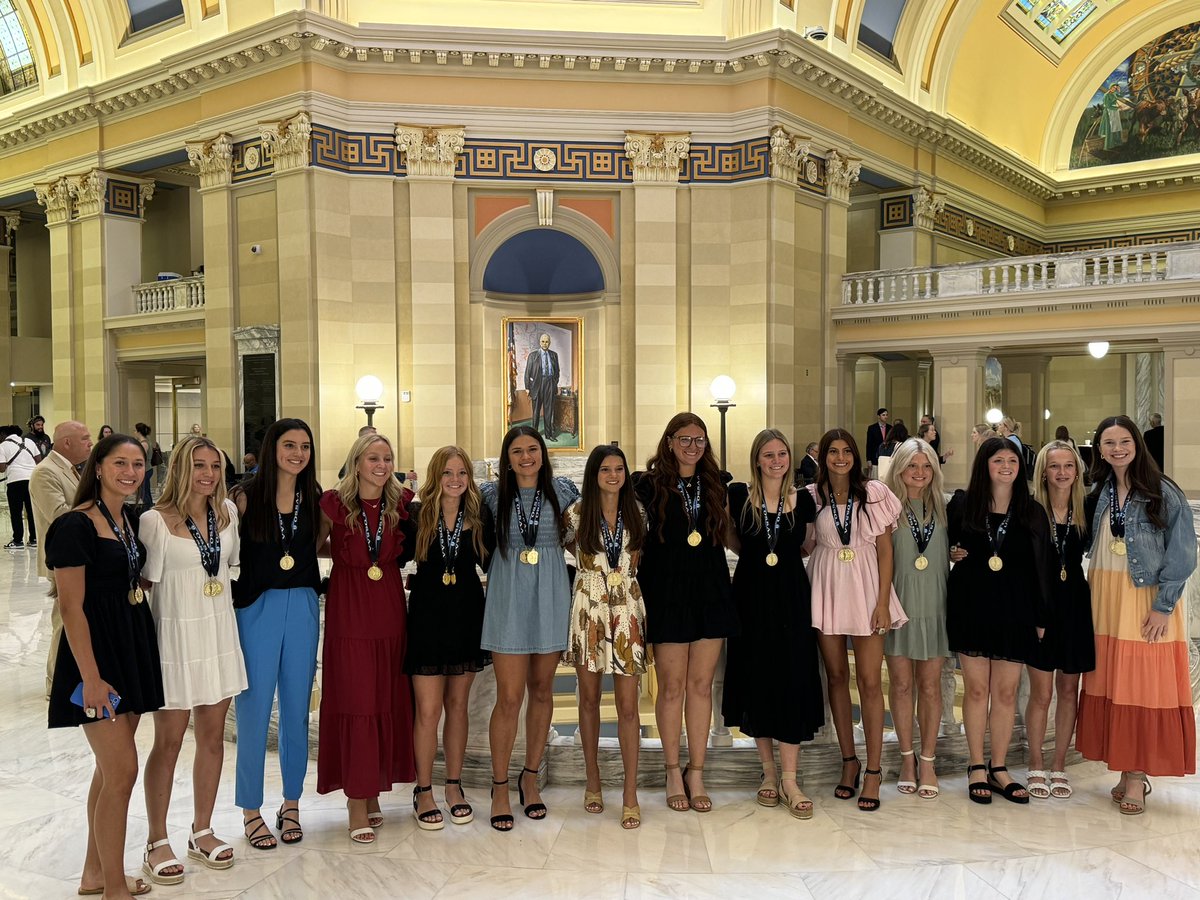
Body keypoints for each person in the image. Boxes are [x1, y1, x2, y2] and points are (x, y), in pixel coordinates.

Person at [46, 434, 163, 900]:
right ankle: (114, 887)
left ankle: (94, 874)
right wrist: (91, 680)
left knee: (108, 771)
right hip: (96, 660)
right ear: (97, 467)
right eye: (120, 463)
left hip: (129, 645)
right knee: (122, 773)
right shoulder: (74, 526)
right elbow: (71, 609)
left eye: (137, 464)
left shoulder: (129, 519)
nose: (130, 472)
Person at [1076, 415, 1196, 815]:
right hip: (1106, 598)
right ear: (1100, 449)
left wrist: (1164, 607)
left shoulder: (1163, 491)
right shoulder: (1102, 489)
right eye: (1108, 442)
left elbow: (1182, 553)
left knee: (1143, 685)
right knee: (1114, 683)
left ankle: (1135, 776)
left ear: (1137, 444)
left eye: (1124, 441)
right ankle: (1126, 768)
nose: (1116, 449)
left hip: (1143, 599)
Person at [139, 436, 246, 884]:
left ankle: (201, 829)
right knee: (168, 741)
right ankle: (156, 839)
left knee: (212, 738)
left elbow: (229, 568)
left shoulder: (227, 514)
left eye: (215, 466)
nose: (208, 474)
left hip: (218, 633)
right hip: (175, 639)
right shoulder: (154, 520)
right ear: (180, 468)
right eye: (199, 465)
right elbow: (142, 590)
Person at [634, 413, 736, 814]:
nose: (693, 447)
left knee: (701, 685)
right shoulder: (647, 484)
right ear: (670, 441)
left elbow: (727, 533)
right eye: (685, 439)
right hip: (667, 591)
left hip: (710, 589)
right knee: (671, 687)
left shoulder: (718, 483)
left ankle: (697, 770)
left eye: (699, 440)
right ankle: (672, 769)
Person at [316, 432, 416, 843]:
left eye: (388, 458)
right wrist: (345, 557)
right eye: (373, 457)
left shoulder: (402, 504)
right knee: (357, 699)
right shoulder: (334, 504)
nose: (382, 464)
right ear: (356, 462)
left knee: (384, 697)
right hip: (350, 609)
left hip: (390, 608)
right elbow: (315, 546)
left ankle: (372, 791)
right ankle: (356, 800)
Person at [480, 426, 578, 830]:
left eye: (532, 449)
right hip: (508, 596)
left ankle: (531, 777)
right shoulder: (490, 495)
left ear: (543, 453)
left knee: (542, 691)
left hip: (551, 592)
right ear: (507, 457)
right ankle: (500, 785)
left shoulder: (564, 490)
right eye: (517, 451)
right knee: (508, 697)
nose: (525, 457)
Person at [230, 419, 322, 850]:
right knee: (253, 709)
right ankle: (250, 809)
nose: (298, 453)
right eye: (289, 445)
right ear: (272, 447)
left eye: (305, 446)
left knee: (296, 712)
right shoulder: (245, 497)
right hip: (258, 608)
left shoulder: (315, 498)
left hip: (302, 604)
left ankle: (291, 804)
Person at [723, 429, 823, 819]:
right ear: (757, 459)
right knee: (757, 677)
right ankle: (768, 774)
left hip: (791, 595)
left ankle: (790, 779)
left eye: (782, 453)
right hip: (750, 595)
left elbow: (808, 542)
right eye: (768, 454)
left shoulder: (805, 500)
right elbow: (733, 539)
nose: (776, 460)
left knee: (792, 677)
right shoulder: (738, 497)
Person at [947, 437, 1052, 805]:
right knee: (976, 691)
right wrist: (951, 551)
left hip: (1015, 610)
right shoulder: (963, 504)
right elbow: (946, 544)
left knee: (1005, 693)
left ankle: (999, 767)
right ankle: (976, 765)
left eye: (1012, 460)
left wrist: (1040, 616)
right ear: (984, 465)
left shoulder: (1032, 511)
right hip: (972, 605)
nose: (1006, 466)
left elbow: (1042, 568)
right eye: (998, 460)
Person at [805, 429, 905, 812]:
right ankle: (849, 761)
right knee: (835, 677)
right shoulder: (813, 496)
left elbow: (885, 552)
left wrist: (882, 602)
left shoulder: (875, 493)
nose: (841, 458)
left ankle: (875, 771)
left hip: (866, 588)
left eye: (847, 451)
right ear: (823, 456)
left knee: (868, 681)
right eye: (833, 451)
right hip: (828, 585)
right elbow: (808, 543)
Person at [406, 445, 493, 832]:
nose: (455, 480)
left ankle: (453, 786)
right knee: (428, 710)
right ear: (435, 477)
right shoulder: (416, 515)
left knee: (458, 706)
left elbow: (492, 562)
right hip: (426, 618)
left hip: (466, 616)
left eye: (461, 473)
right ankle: (423, 790)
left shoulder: (478, 516)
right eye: (447, 473)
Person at [564, 444, 649, 829]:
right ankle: (593, 779)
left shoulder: (638, 512)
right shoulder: (575, 514)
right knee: (589, 699)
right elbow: (565, 549)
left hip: (627, 610)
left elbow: (639, 560)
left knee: (629, 707)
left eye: (619, 469)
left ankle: (630, 792)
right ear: (593, 474)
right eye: (605, 470)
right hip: (589, 608)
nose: (613, 476)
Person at [1024, 440, 1094, 801]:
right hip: (1041, 608)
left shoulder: (1088, 508)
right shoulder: (1031, 511)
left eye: (1069, 466)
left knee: (1069, 691)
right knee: (1042, 693)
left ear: (1077, 471)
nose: (1062, 473)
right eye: (1055, 466)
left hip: (1076, 608)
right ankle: (1035, 761)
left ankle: (1059, 764)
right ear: (1043, 471)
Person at [883, 438, 951, 800]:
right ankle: (907, 758)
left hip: (935, 607)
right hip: (900, 608)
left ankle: (928, 759)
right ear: (900, 469)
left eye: (926, 467)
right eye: (912, 466)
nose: (920, 473)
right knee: (902, 686)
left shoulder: (943, 506)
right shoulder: (887, 508)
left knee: (930, 686)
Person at [30, 421, 93, 693]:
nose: (90, 443)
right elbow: (59, 515)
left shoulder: (70, 470)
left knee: (75, 620)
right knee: (64, 621)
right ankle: (56, 683)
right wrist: (99, 516)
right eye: (85, 438)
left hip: (80, 556)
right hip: (63, 558)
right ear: (66, 443)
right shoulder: (45, 472)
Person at [1, 423, 42, 549]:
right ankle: (34, 539)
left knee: (16, 512)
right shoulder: (29, 441)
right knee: (32, 511)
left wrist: (10, 465)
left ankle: (18, 540)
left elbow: (1, 468)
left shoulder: (3, 445)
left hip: (15, 481)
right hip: (32, 480)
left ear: (3, 435)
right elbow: (39, 460)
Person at [524, 332, 560, 440]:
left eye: (547, 341)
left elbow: (557, 371)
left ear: (550, 343)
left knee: (549, 411)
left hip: (550, 384)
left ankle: (549, 435)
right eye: (543, 341)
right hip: (537, 385)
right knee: (536, 411)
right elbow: (527, 372)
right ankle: (534, 435)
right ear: (540, 342)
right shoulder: (533, 355)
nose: (545, 344)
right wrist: (527, 387)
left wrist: (554, 383)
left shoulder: (554, 355)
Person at [133, 423, 155, 507]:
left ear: (139, 432)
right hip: (147, 469)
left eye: (135, 430)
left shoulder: (144, 444)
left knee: (143, 492)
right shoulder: (146, 441)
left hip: (146, 470)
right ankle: (149, 507)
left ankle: (147, 508)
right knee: (146, 491)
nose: (134, 433)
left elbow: (141, 458)